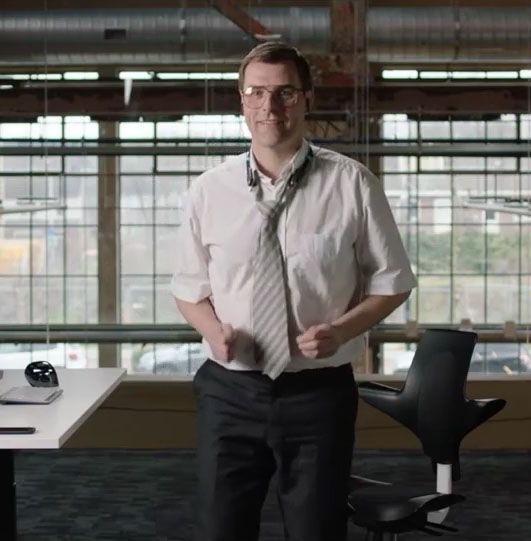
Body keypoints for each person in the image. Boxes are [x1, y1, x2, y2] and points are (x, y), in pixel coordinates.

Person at [171, 41, 416, 541]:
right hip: (229, 391)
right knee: (220, 529)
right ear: (241, 101)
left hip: (317, 394)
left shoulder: (352, 184)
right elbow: (188, 289)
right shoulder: (208, 191)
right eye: (256, 92)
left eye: (284, 92)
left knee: (316, 530)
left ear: (307, 98)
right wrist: (212, 330)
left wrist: (341, 331)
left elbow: (392, 284)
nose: (270, 106)